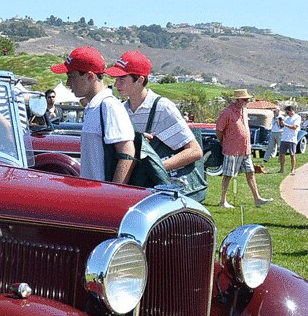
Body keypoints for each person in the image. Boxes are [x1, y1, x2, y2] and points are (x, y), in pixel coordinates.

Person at [105, 50, 206, 201]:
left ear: (139, 80)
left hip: (163, 195)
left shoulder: (162, 107)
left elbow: (195, 151)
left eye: (122, 79)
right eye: (116, 79)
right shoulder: (121, 109)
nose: (116, 84)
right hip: (138, 190)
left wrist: (155, 168)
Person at [51, 46, 136, 183]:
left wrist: (112, 195)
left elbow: (127, 153)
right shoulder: (94, 106)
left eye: (71, 77)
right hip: (92, 195)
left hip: (102, 197)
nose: (68, 83)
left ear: (90, 76)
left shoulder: (109, 105)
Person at [215, 89, 272, 208]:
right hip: (232, 149)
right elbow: (219, 129)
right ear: (237, 99)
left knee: (250, 172)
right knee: (228, 175)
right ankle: (223, 201)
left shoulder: (244, 110)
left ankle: (257, 198)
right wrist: (223, 142)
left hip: (245, 149)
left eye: (247, 99)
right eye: (245, 99)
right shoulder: (228, 112)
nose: (247, 101)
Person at [278, 104, 302, 175]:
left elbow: (294, 127)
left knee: (292, 154)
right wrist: (281, 123)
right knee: (282, 154)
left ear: (292, 111)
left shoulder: (297, 117)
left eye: (288, 112)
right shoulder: (287, 118)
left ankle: (293, 169)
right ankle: (282, 169)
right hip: (284, 138)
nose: (287, 114)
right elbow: (282, 126)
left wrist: (285, 124)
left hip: (292, 139)